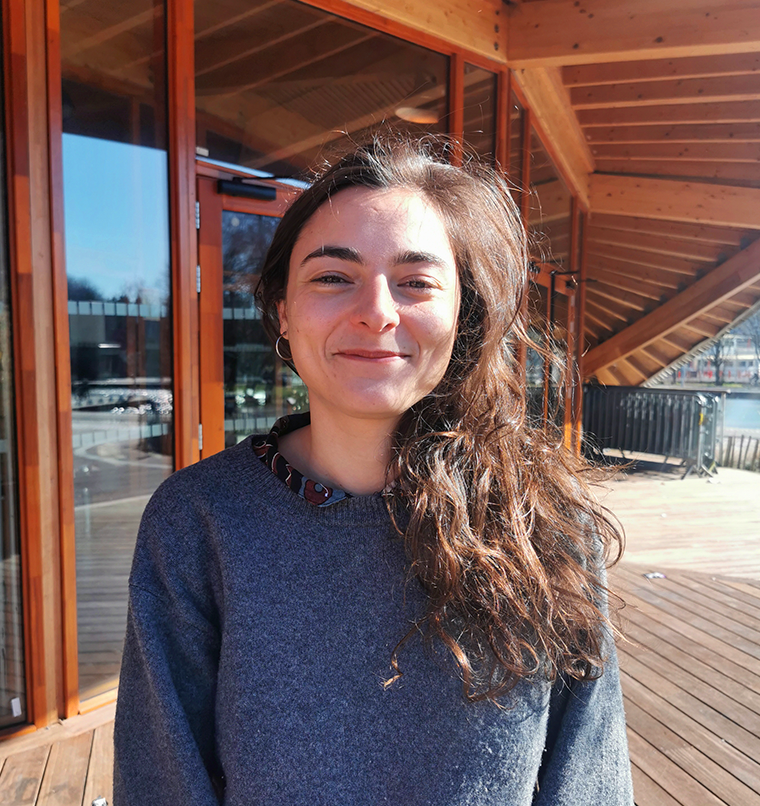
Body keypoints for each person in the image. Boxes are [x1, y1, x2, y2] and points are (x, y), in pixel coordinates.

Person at [113, 135, 634, 805]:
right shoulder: (198, 523)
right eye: (333, 277)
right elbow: (160, 780)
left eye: (416, 282)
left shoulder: (544, 523)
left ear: (463, 315)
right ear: (283, 311)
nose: (378, 311)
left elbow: (589, 776)